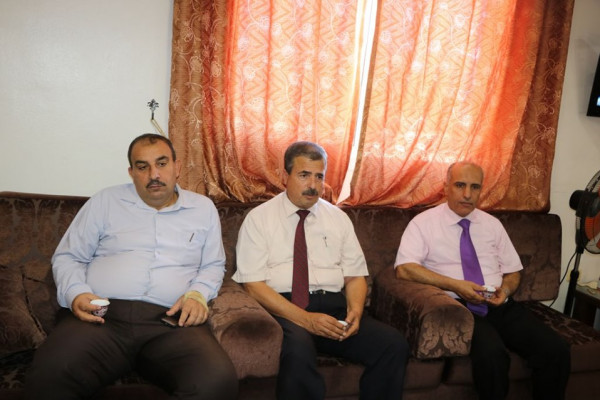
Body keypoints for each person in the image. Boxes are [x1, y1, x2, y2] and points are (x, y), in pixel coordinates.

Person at [25, 133, 238, 400]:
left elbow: (213, 264)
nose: (154, 174)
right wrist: (76, 293)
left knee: (217, 381)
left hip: (171, 322)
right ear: (131, 172)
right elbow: (69, 256)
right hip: (101, 319)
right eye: (142, 166)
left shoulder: (203, 209)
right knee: (50, 374)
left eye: (162, 163)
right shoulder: (105, 202)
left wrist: (198, 294)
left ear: (177, 167)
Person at [233, 141, 409, 400]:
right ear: (285, 176)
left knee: (393, 345)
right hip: (285, 311)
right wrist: (307, 320)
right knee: (298, 351)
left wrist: (355, 312)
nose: (313, 185)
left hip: (334, 309)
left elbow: (355, 276)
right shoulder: (259, 219)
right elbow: (253, 286)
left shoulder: (338, 218)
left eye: (319, 176)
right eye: (304, 175)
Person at [395, 161, 570, 400]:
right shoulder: (423, 223)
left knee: (555, 350)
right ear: (446, 187)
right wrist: (456, 286)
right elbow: (405, 269)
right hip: (457, 308)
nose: (467, 194)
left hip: (499, 304)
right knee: (492, 356)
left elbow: (514, 271)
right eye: (460, 185)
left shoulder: (492, 225)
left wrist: (505, 291)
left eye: (475, 187)